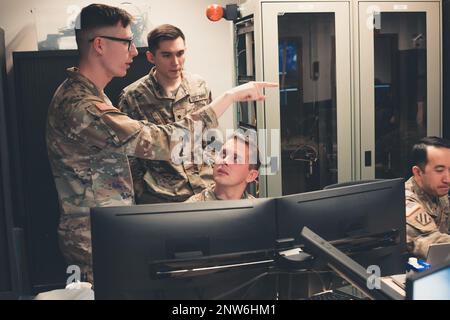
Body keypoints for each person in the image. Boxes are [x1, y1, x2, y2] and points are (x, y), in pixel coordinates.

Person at [45, 3, 277, 282]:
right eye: (127, 42)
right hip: (92, 239)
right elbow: (159, 141)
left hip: (112, 227)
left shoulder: (95, 96)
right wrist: (227, 99)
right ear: (99, 45)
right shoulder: (82, 105)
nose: (133, 52)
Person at [118, 24, 214, 204]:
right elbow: (128, 154)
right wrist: (141, 192)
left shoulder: (199, 86)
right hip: (161, 196)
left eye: (180, 53)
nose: (176, 62)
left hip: (205, 188)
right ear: (151, 57)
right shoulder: (133, 96)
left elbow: (211, 137)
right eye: (167, 55)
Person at [405, 136, 450, 259]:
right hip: (417, 273)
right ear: (418, 173)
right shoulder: (406, 204)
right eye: (439, 170)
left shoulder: (437, 191)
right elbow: (437, 247)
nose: (447, 179)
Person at [185, 131, 260, 202]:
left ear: (251, 176)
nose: (225, 161)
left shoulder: (259, 212)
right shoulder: (189, 210)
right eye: (223, 155)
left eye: (235, 159)